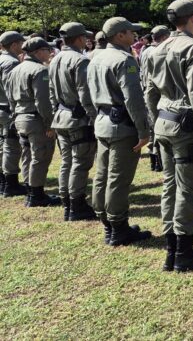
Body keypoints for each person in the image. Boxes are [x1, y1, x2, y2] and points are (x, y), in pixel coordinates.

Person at [146, 0, 193, 272]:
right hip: (186, 125)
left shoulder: (157, 49)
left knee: (169, 185)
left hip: (163, 121)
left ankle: (172, 250)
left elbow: (150, 92)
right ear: (192, 19)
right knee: (188, 189)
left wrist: (154, 123)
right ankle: (184, 251)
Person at [87, 17, 152, 246]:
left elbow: (87, 95)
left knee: (102, 176)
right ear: (119, 35)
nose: (134, 35)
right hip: (122, 125)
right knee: (118, 179)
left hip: (103, 122)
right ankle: (118, 227)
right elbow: (133, 99)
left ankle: (107, 221)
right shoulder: (125, 60)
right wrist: (143, 131)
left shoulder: (95, 57)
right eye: (130, 32)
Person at [48, 22, 98, 221]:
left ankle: (67, 202)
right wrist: (94, 118)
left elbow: (51, 93)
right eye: (84, 37)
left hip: (61, 117)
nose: (87, 40)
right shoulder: (80, 60)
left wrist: (56, 112)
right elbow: (86, 95)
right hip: (78, 118)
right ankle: (76, 204)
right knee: (80, 163)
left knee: (67, 162)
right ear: (78, 39)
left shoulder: (55, 59)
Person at [7, 37, 61, 208]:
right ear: (37, 52)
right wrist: (50, 124)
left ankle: (31, 192)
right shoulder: (39, 70)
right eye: (46, 50)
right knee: (40, 156)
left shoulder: (16, 69)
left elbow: (10, 98)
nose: (50, 52)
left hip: (20, 118)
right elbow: (43, 101)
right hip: (35, 119)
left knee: (27, 155)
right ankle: (37, 195)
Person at [0, 31, 27, 197]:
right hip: (7, 109)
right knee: (11, 146)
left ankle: (3, 181)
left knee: (2, 145)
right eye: (21, 43)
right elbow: (11, 89)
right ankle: (10, 184)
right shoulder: (11, 62)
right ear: (14, 44)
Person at [141, 25, 170, 173]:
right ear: (164, 37)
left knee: (152, 128)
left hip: (147, 91)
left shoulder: (145, 51)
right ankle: (160, 160)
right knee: (158, 128)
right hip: (159, 93)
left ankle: (154, 161)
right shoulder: (162, 51)